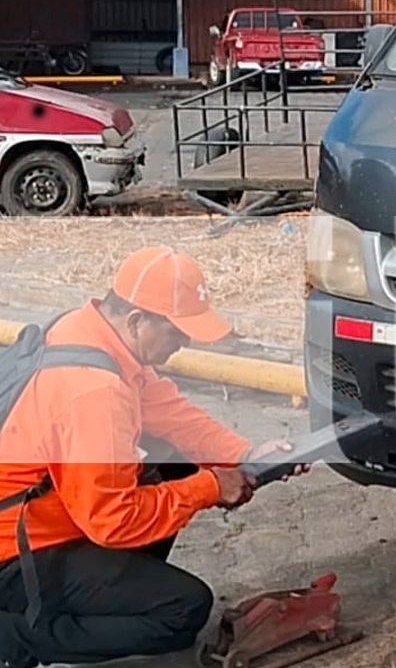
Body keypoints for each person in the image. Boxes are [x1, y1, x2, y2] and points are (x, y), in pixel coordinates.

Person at [0, 246, 306, 668]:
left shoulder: (88, 332)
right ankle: (15, 639)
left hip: (45, 514)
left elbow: (171, 413)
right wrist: (209, 487)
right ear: (137, 320)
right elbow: (114, 520)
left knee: (179, 460)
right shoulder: (94, 391)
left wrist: (246, 455)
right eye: (178, 332)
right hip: (15, 559)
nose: (183, 344)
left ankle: (106, 589)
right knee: (182, 609)